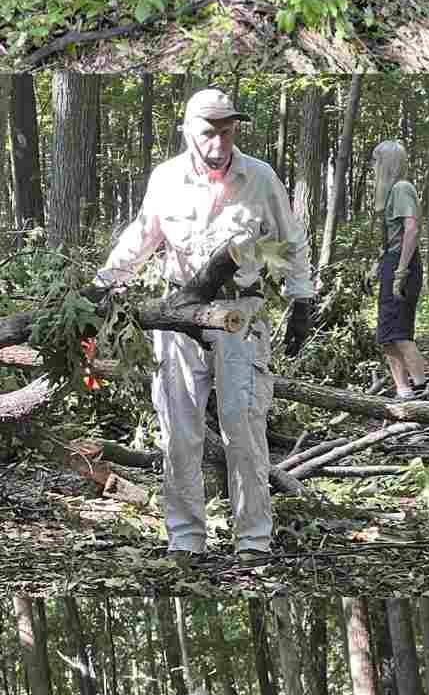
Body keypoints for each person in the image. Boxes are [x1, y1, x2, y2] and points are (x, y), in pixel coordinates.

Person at [94, 88, 314, 560]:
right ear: (189, 131)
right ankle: (185, 540)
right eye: (208, 132)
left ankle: (253, 541)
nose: (218, 143)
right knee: (179, 431)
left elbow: (291, 242)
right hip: (178, 316)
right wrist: (105, 283)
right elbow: (142, 234)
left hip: (242, 315)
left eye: (226, 131)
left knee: (245, 429)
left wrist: (302, 299)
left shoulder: (260, 178)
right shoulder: (167, 178)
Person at [371, 139, 428, 400]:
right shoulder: (392, 192)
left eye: (376, 161)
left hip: (403, 265)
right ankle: (403, 392)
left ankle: (422, 391)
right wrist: (378, 266)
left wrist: (400, 272)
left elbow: (411, 230)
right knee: (387, 335)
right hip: (392, 261)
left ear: (387, 164)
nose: (373, 167)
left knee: (401, 333)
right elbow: (393, 237)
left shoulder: (403, 188)